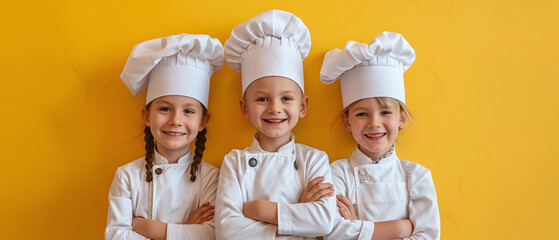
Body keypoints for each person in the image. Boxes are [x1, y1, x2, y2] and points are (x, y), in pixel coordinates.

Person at [215, 9, 336, 240]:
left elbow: (324, 221)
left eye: (287, 98)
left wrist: (260, 210)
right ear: (244, 108)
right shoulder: (234, 162)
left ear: (302, 107)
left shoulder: (315, 159)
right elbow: (226, 231)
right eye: (262, 99)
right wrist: (298, 213)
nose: (274, 108)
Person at [320, 32, 441, 240]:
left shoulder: (417, 176)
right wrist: (400, 229)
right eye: (361, 114)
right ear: (346, 122)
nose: (374, 123)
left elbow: (428, 237)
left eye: (385, 112)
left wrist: (357, 226)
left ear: (401, 119)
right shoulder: (336, 173)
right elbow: (333, 233)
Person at [105, 33, 225, 240]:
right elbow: (116, 236)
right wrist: (186, 229)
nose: (176, 120)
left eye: (188, 111)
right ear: (147, 116)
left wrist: (147, 229)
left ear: (203, 122)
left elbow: (212, 235)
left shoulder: (211, 178)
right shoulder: (126, 176)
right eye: (164, 109)